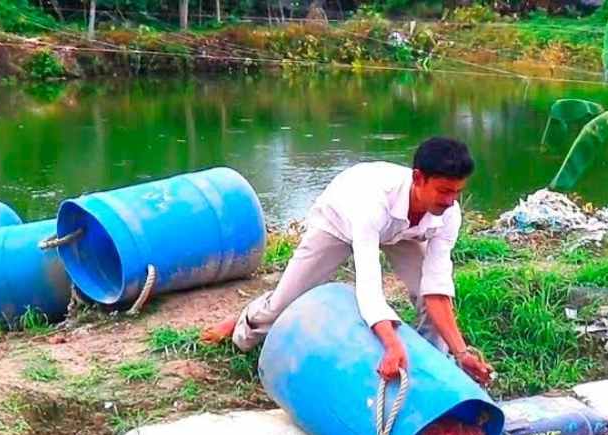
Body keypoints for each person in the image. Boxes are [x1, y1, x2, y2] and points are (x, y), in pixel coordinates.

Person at [202, 137, 493, 387]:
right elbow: (368, 285)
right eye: (444, 191)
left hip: (404, 233)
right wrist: (390, 343)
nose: (450, 200)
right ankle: (242, 324)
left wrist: (461, 352)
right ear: (418, 178)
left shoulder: (448, 214)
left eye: (458, 192)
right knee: (284, 303)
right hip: (338, 223)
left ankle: (430, 374)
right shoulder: (372, 201)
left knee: (427, 298)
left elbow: (437, 287)